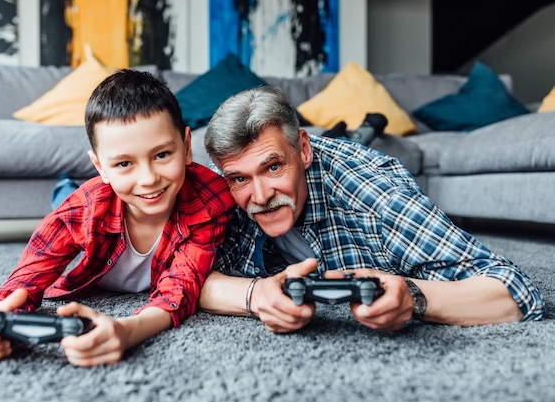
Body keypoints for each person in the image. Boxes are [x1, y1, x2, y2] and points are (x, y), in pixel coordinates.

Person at [198, 85, 545, 333]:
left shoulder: (375, 196)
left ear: (303, 150)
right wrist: (254, 295)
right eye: (240, 178)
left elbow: (517, 292)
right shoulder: (219, 186)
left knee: (351, 151)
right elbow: (174, 274)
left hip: (346, 173)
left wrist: (414, 297)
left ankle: (350, 139)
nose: (259, 196)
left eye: (273, 167)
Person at [0, 70, 235, 367]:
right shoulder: (81, 211)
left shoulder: (211, 199)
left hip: (113, 198)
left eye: (162, 155)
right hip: (91, 205)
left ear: (187, 147)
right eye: (124, 163)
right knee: (66, 198)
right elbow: (24, 282)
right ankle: (65, 186)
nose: (149, 178)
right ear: (100, 166)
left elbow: (182, 287)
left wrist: (127, 331)